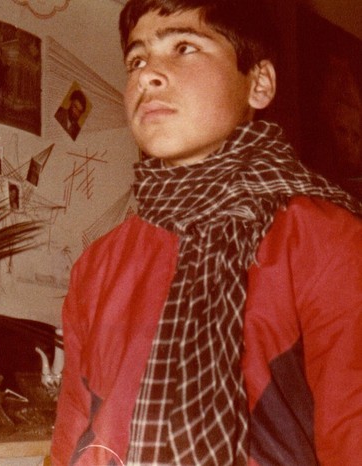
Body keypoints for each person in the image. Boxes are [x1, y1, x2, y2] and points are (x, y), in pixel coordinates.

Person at [51, 1, 362, 465]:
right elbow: (72, 438)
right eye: (136, 60)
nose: (148, 76)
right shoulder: (97, 267)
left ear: (258, 83)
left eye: (184, 47)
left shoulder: (328, 242)